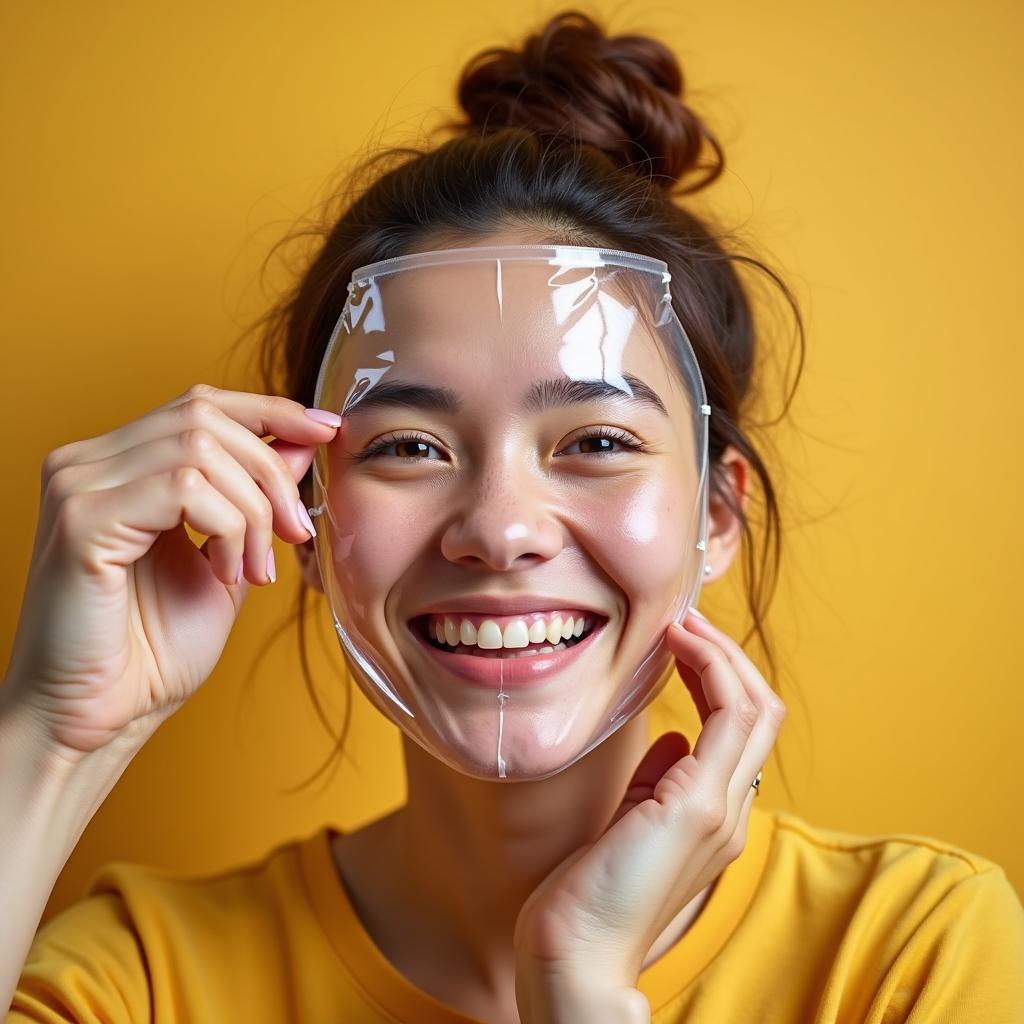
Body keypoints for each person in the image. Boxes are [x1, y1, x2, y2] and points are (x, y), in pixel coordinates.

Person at [3, 10, 1022, 1024]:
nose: (497, 528)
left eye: (596, 442)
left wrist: (577, 986)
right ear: (302, 515)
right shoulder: (142, 979)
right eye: (407, 447)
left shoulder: (908, 954)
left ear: (716, 513)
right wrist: (53, 734)